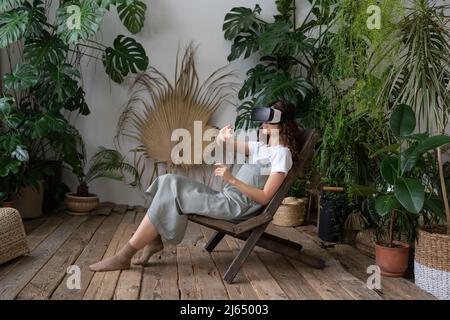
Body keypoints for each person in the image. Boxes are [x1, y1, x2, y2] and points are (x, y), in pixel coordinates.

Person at [89, 100, 305, 272]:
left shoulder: (281, 155)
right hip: (226, 196)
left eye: (269, 120)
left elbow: (265, 197)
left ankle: (124, 255)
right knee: (168, 180)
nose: (263, 124)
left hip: (236, 207)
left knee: (172, 192)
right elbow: (229, 143)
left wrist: (232, 179)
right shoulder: (261, 147)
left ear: (283, 124)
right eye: (263, 119)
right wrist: (223, 136)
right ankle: (153, 241)